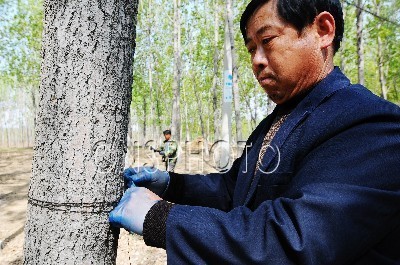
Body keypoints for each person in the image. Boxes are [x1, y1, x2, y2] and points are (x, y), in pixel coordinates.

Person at [109, 0, 400, 264]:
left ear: (322, 30)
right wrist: (171, 184)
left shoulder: (372, 126)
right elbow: (232, 191)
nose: (257, 61)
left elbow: (295, 241)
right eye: (251, 49)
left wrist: (161, 219)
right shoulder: (275, 122)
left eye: (267, 40)